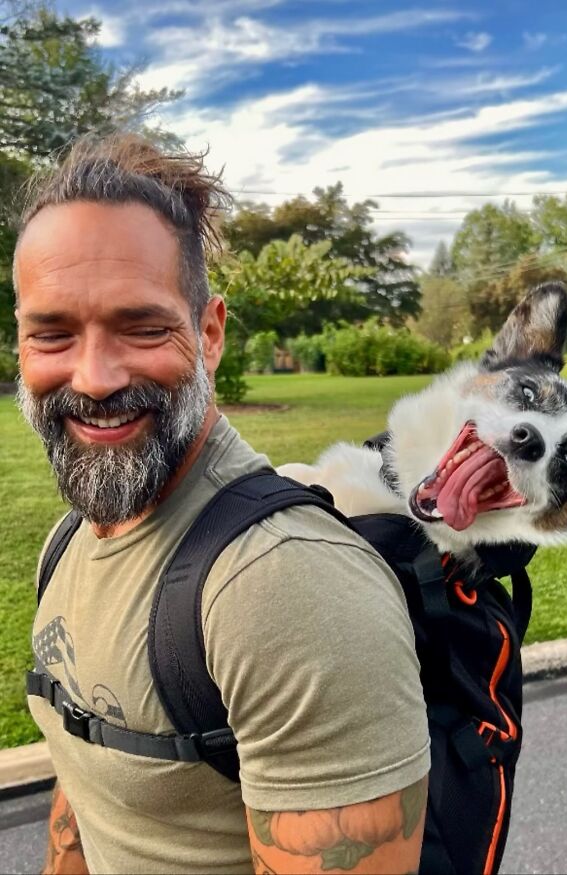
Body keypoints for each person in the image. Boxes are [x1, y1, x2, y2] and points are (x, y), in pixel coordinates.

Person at [14, 134, 430, 875]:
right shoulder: (73, 538)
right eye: (52, 333)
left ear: (210, 335)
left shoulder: (285, 587)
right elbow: (90, 774)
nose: (94, 376)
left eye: (142, 327)